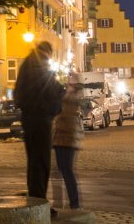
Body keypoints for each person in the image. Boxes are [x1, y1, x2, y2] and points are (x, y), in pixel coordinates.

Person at [13, 41, 63, 203]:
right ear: (47, 53)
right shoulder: (40, 66)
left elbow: (18, 94)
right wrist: (56, 106)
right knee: (41, 162)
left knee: (34, 160)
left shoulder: (26, 65)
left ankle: (34, 198)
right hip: (41, 119)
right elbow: (51, 90)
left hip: (28, 118)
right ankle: (39, 201)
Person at [51, 81, 83, 210]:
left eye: (69, 86)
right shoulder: (67, 100)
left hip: (66, 141)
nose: (67, 87)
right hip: (62, 140)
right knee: (62, 171)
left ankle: (74, 203)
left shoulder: (70, 101)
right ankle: (67, 203)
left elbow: (65, 120)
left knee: (67, 172)